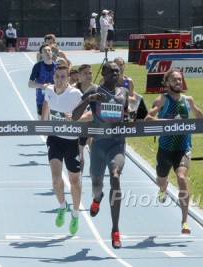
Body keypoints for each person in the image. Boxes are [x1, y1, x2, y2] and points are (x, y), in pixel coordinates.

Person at [144, 68, 203, 234]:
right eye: (174, 79)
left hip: (183, 148)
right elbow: (148, 119)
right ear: (167, 83)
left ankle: (184, 221)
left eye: (179, 79)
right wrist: (166, 122)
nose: (178, 82)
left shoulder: (187, 100)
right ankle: (163, 189)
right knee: (161, 180)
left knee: (182, 178)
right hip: (165, 149)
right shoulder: (162, 99)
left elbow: (199, 115)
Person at [72, 61, 130, 249]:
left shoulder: (124, 94)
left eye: (118, 72)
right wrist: (89, 100)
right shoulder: (94, 90)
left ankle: (115, 230)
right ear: (103, 73)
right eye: (111, 72)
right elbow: (74, 116)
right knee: (97, 185)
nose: (115, 74)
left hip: (117, 144)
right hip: (98, 146)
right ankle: (98, 198)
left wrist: (131, 118)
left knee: (115, 177)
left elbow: (128, 115)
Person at [41, 65, 83, 235]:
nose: (59, 79)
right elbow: (47, 104)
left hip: (71, 142)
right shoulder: (49, 90)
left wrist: (74, 118)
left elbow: (87, 114)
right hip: (54, 139)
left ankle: (75, 213)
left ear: (68, 79)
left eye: (62, 77)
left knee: (74, 182)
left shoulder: (75, 94)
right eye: (57, 76)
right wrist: (43, 123)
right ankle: (62, 206)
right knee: (56, 180)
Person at [74, 64, 95, 174]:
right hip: (78, 126)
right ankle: (80, 178)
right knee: (80, 155)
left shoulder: (96, 89)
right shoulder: (73, 90)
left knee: (94, 154)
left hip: (92, 125)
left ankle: (94, 178)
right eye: (85, 73)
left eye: (90, 73)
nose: (88, 75)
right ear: (79, 75)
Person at [28, 43, 57, 119]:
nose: (48, 52)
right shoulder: (37, 66)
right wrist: (41, 85)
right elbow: (30, 84)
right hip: (41, 100)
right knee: (42, 125)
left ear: (52, 52)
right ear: (41, 55)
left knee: (56, 125)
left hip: (55, 100)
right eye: (45, 51)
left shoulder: (57, 66)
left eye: (49, 50)